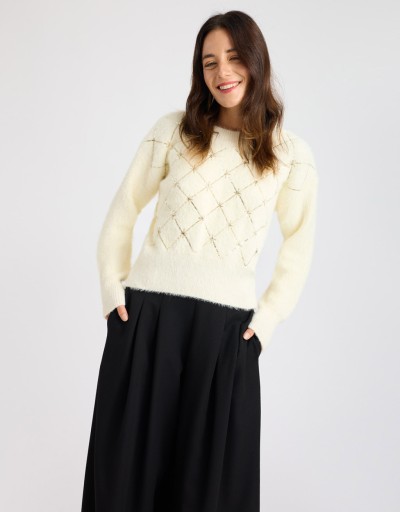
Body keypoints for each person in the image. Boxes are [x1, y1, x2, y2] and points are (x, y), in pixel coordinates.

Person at [81, 9, 318, 512]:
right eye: (209, 62)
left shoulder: (291, 155)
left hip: (226, 335)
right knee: (125, 481)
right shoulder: (173, 131)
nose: (222, 72)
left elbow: (299, 244)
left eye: (234, 58)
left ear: (257, 61)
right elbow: (123, 210)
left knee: (208, 492)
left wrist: (267, 321)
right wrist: (111, 290)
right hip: (146, 321)